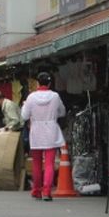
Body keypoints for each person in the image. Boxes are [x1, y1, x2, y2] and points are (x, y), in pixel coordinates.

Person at [21, 72, 66, 201]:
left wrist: (26, 106)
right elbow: (62, 112)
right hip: (51, 130)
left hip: (36, 131)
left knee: (36, 163)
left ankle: (36, 190)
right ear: (50, 83)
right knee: (49, 163)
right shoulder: (55, 96)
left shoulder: (31, 97)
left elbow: (24, 116)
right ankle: (47, 191)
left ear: (37, 83)